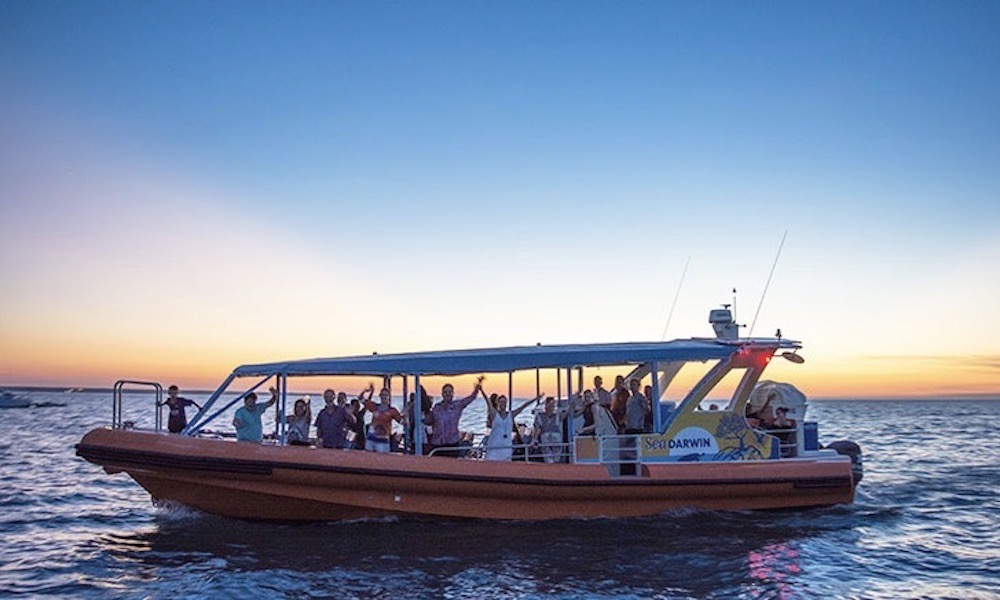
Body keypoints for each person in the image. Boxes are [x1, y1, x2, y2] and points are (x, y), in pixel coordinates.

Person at [424, 378, 483, 457]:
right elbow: (428, 421)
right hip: (437, 444)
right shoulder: (436, 407)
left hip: (452, 444)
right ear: (442, 394)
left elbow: (470, 398)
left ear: (453, 393)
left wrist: (477, 388)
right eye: (445, 392)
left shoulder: (457, 405)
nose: (447, 394)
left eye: (449, 392)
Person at [483, 392, 542, 461]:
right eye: (501, 402)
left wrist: (536, 399)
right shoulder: (494, 414)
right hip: (494, 446)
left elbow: (523, 406)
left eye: (504, 402)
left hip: (506, 447)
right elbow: (488, 402)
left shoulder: (510, 415)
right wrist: (481, 391)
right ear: (498, 403)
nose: (503, 404)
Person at [364, 385, 405, 453]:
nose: (384, 397)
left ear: (389, 397)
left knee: (382, 458)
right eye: (382, 395)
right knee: (368, 457)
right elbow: (361, 399)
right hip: (371, 439)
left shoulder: (392, 411)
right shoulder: (374, 406)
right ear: (379, 396)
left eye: (386, 395)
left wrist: (405, 414)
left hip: (383, 441)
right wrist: (367, 391)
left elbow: (402, 422)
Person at [532, 396, 573, 463]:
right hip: (545, 441)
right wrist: (535, 439)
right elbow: (538, 429)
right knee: (548, 460)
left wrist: (572, 404)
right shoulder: (540, 416)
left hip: (557, 441)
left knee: (556, 460)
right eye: (550, 404)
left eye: (553, 404)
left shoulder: (557, 415)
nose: (552, 406)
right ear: (546, 405)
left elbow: (566, 414)